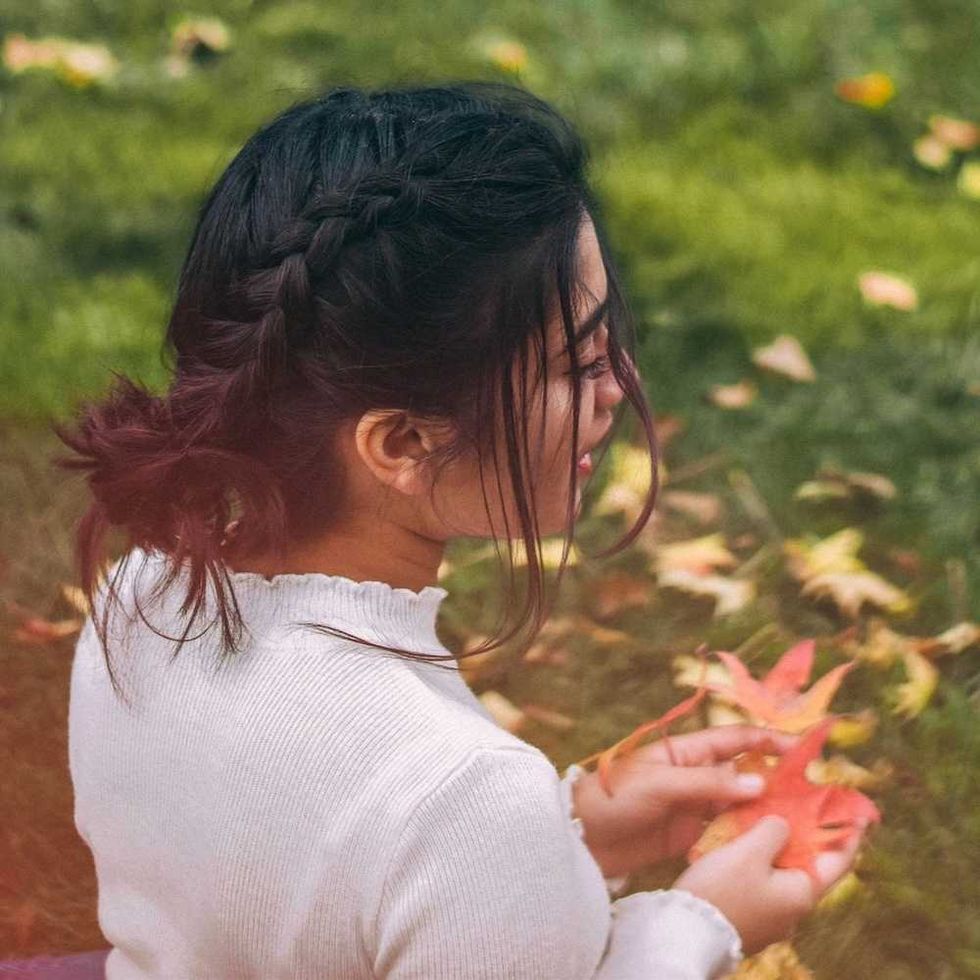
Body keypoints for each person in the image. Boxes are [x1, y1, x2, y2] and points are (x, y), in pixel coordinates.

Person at [58, 81, 867, 979]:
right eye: (579, 363)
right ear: (401, 442)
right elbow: (425, 833)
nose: (618, 386)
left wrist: (567, 838)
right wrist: (696, 925)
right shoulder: (460, 795)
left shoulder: (145, 592)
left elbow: (302, 871)